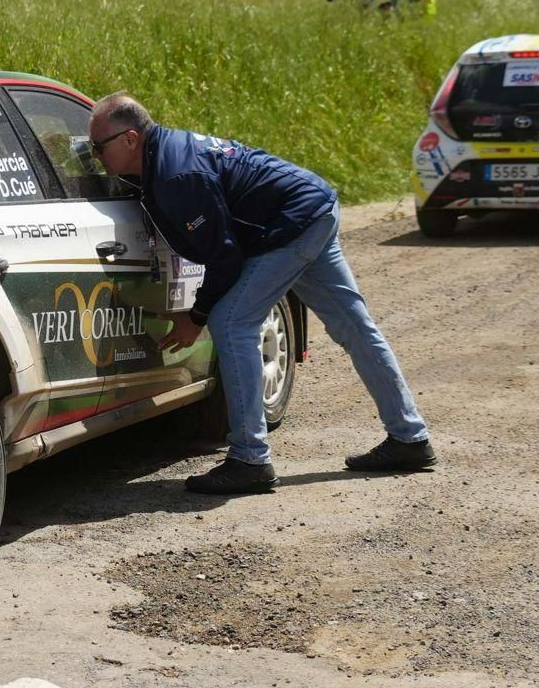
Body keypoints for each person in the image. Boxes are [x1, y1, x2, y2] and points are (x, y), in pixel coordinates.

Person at [85, 93, 435, 494]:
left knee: (231, 324)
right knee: (355, 326)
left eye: (98, 147)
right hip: (314, 207)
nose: (94, 157)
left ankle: (250, 459)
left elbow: (224, 257)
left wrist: (196, 317)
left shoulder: (176, 176)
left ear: (130, 139)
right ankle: (410, 438)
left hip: (293, 222)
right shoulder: (165, 157)